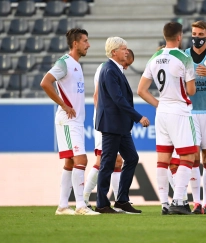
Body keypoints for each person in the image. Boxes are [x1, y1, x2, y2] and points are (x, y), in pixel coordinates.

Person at [137, 21, 197, 215]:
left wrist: (159, 104)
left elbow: (141, 90)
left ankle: (164, 204)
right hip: (179, 110)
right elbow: (191, 90)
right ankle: (179, 200)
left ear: (165, 36)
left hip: (162, 112)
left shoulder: (154, 58)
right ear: (179, 37)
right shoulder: (184, 57)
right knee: (188, 155)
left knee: (163, 160)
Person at [40, 28, 99, 215]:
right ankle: (81, 205)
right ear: (75, 43)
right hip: (68, 120)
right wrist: (64, 105)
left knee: (69, 162)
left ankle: (63, 206)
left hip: (76, 121)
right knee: (81, 159)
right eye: (85, 41)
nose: (88, 45)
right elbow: (45, 82)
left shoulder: (76, 65)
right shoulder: (64, 62)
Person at [168, 20, 206, 215]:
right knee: (193, 158)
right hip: (191, 112)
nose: (197, 38)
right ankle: (196, 202)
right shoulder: (184, 56)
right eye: (194, 34)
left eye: (200, 34)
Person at [94, 37, 150, 214]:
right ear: (114, 52)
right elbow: (118, 99)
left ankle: (122, 200)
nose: (127, 51)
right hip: (112, 125)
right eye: (124, 49)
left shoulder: (114, 69)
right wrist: (138, 117)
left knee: (132, 158)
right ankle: (102, 204)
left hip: (120, 125)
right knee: (108, 163)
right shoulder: (109, 70)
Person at [83, 49, 135, 208]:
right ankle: (83, 199)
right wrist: (104, 118)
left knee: (118, 162)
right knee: (103, 160)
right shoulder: (105, 69)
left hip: (115, 120)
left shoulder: (116, 70)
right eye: (127, 63)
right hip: (106, 120)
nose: (126, 67)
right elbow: (97, 95)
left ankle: (119, 201)